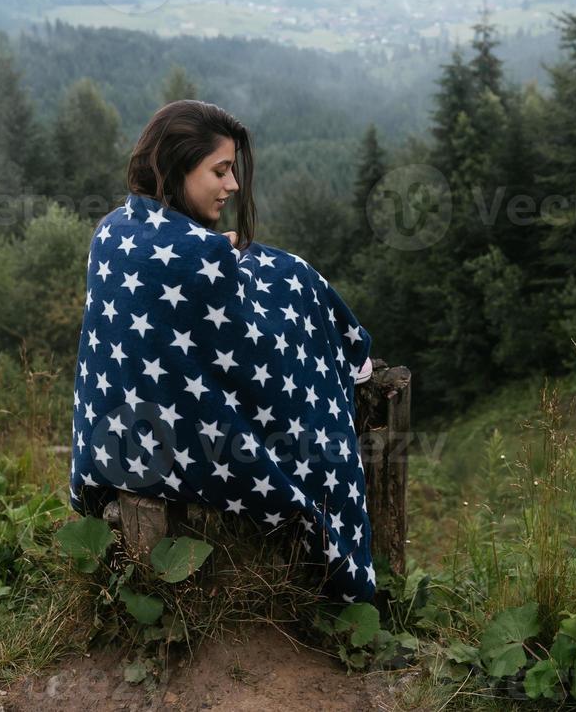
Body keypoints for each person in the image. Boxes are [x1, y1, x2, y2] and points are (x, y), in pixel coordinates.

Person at [69, 100, 376, 601]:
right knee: (293, 280)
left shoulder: (111, 231)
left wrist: (220, 255)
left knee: (274, 268)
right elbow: (256, 355)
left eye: (232, 169)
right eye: (220, 170)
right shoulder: (200, 257)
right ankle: (351, 346)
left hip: (111, 442)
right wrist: (224, 260)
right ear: (175, 167)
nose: (233, 185)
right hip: (165, 450)